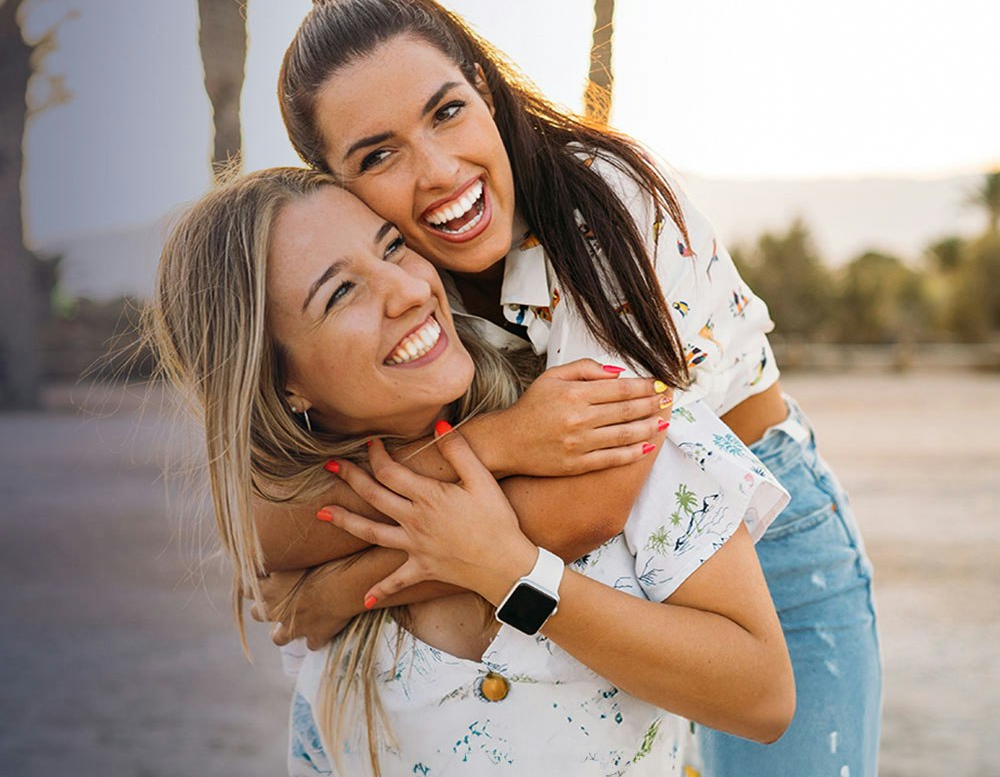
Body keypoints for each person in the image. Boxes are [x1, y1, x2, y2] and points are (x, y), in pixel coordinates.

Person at [270, 0, 882, 776]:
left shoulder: (606, 206)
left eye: (447, 111)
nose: (438, 170)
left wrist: (337, 592)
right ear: (334, 183)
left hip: (767, 537)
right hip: (604, 571)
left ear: (484, 89)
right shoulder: (397, 274)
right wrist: (503, 447)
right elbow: (274, 521)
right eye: (379, 154)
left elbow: (591, 498)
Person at [147, 167, 793, 776]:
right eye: (341, 293)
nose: (408, 290)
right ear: (282, 385)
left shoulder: (601, 419)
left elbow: (762, 698)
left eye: (394, 246)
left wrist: (517, 576)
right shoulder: (307, 565)